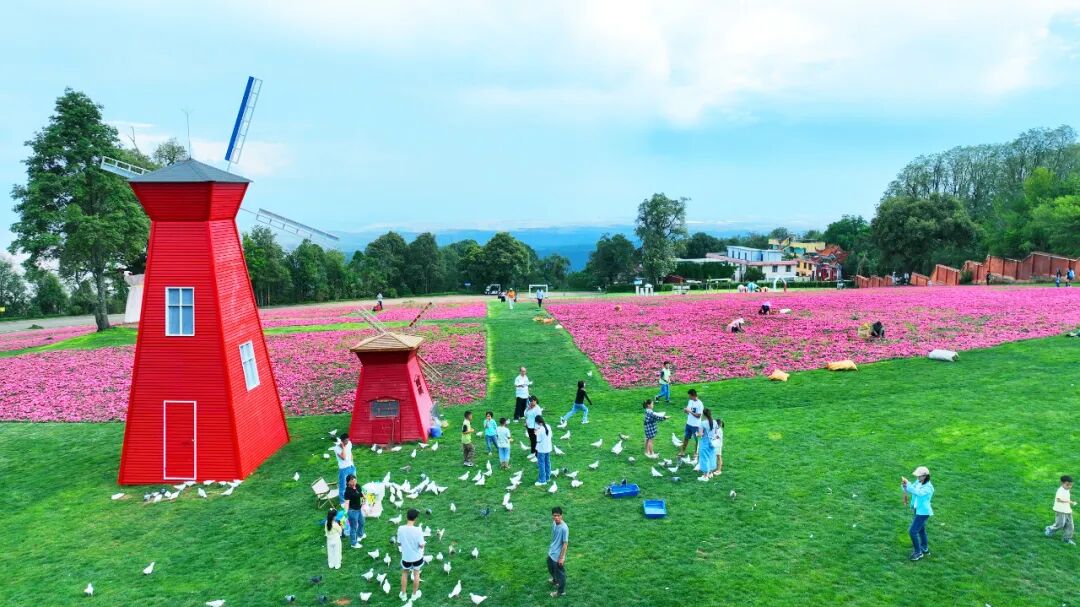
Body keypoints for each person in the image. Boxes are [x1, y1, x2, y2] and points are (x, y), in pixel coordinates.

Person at [902, 466, 934, 560]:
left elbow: (917, 492)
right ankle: (924, 547)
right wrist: (905, 486)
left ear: (925, 476)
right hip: (918, 510)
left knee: (912, 531)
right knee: (921, 530)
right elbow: (910, 489)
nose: (917, 477)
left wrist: (908, 484)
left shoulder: (928, 487)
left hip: (923, 512)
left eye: (919, 476)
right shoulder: (918, 482)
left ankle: (918, 552)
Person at [397, 508, 425, 601]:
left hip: (406, 557)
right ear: (415, 518)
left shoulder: (400, 529)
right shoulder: (418, 530)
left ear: (407, 517)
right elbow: (421, 545)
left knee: (404, 573)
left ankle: (403, 595)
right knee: (416, 574)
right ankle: (414, 595)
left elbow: (399, 543)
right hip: (417, 557)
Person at [1044, 475, 1076, 545]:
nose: (1069, 486)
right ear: (1062, 483)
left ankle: (1066, 538)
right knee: (1060, 524)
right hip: (1060, 510)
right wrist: (1069, 502)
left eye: (1071, 485)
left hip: (1067, 510)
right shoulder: (1060, 490)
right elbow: (1059, 500)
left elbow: (1066, 498)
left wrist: (1069, 502)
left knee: (1070, 525)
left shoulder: (1067, 490)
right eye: (1067, 485)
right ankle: (1050, 529)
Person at [547, 507, 569, 598]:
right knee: (550, 567)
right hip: (552, 552)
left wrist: (561, 558)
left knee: (560, 574)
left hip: (558, 555)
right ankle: (555, 580)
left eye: (558, 516)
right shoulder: (554, 523)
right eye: (554, 515)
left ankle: (561, 592)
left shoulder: (564, 528)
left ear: (561, 516)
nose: (556, 517)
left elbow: (565, 544)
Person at [677, 389, 704, 462]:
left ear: (693, 395)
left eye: (689, 396)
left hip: (696, 425)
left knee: (697, 440)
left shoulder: (700, 404)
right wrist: (686, 411)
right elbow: (688, 411)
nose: (689, 397)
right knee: (686, 437)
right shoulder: (690, 401)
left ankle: (696, 454)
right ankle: (682, 451)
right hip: (689, 423)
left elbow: (698, 416)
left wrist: (690, 411)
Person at [342, 474, 366, 548]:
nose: (354, 483)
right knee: (354, 527)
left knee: (362, 522)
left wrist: (364, 500)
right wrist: (345, 513)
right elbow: (346, 503)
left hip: (359, 509)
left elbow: (361, 494)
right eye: (352, 481)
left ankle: (360, 535)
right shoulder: (347, 492)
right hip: (352, 511)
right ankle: (353, 543)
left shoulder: (357, 486)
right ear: (348, 482)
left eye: (355, 481)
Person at [696, 408, 718, 481]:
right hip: (712, 443)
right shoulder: (715, 422)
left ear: (704, 414)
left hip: (705, 443)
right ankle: (710, 473)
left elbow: (700, 434)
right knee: (711, 457)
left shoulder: (702, 423)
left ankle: (705, 476)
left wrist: (697, 434)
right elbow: (716, 433)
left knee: (704, 458)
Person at [334, 434, 355, 507]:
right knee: (343, 485)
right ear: (342, 441)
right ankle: (342, 502)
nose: (347, 442)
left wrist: (352, 462)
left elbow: (350, 452)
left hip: (351, 466)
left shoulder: (349, 443)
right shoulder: (336, 448)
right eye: (346, 441)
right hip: (343, 469)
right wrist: (343, 447)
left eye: (348, 440)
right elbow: (343, 457)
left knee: (353, 483)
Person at [534, 415, 553, 486]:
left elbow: (538, 441)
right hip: (548, 448)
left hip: (541, 449)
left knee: (541, 464)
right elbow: (551, 436)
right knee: (547, 462)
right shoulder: (548, 426)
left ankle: (542, 480)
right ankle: (547, 477)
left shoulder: (540, 430)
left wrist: (536, 434)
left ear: (537, 422)